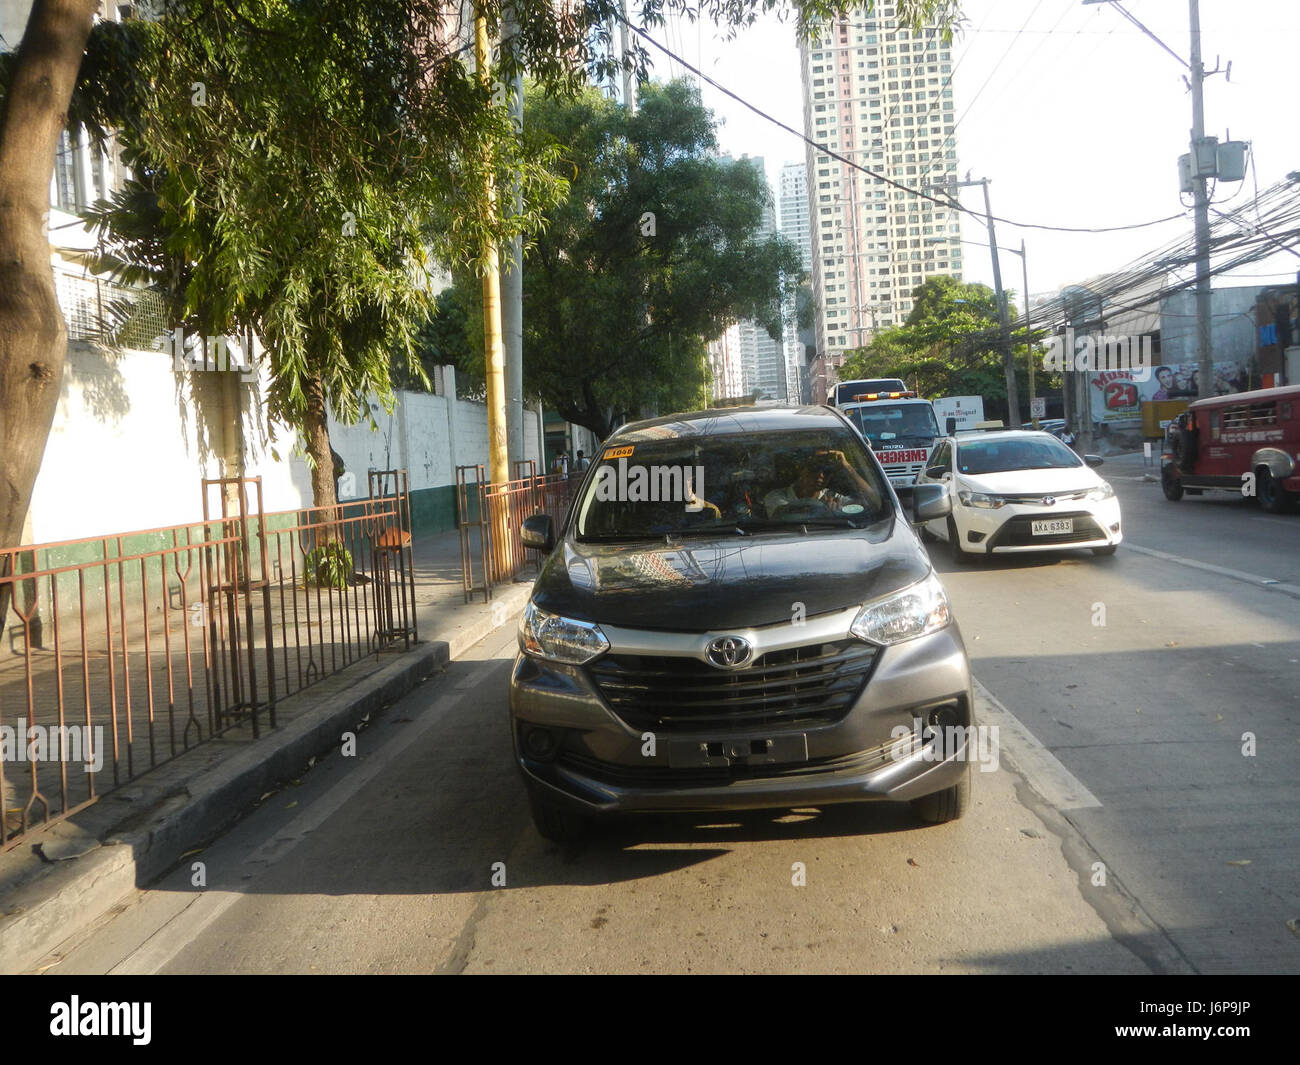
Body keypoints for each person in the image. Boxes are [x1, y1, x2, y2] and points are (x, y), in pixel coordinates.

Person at [763, 448, 880, 518]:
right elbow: (784, 518)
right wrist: (826, 513)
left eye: (827, 471)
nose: (820, 475)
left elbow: (875, 503)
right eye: (814, 468)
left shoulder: (833, 498)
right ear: (801, 470)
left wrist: (848, 467)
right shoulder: (776, 497)